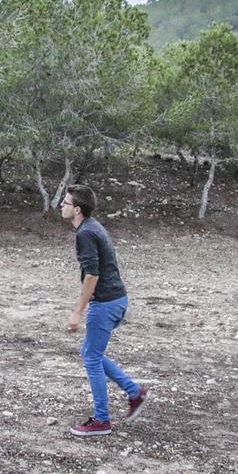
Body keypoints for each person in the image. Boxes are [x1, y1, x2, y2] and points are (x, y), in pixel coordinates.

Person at [60, 184, 149, 436]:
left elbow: (92, 275)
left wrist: (77, 311)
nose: (61, 206)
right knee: (92, 353)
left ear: (77, 209)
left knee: (91, 357)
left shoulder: (85, 233)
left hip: (106, 303)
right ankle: (134, 392)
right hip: (116, 300)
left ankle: (101, 420)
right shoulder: (92, 226)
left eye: (65, 203)